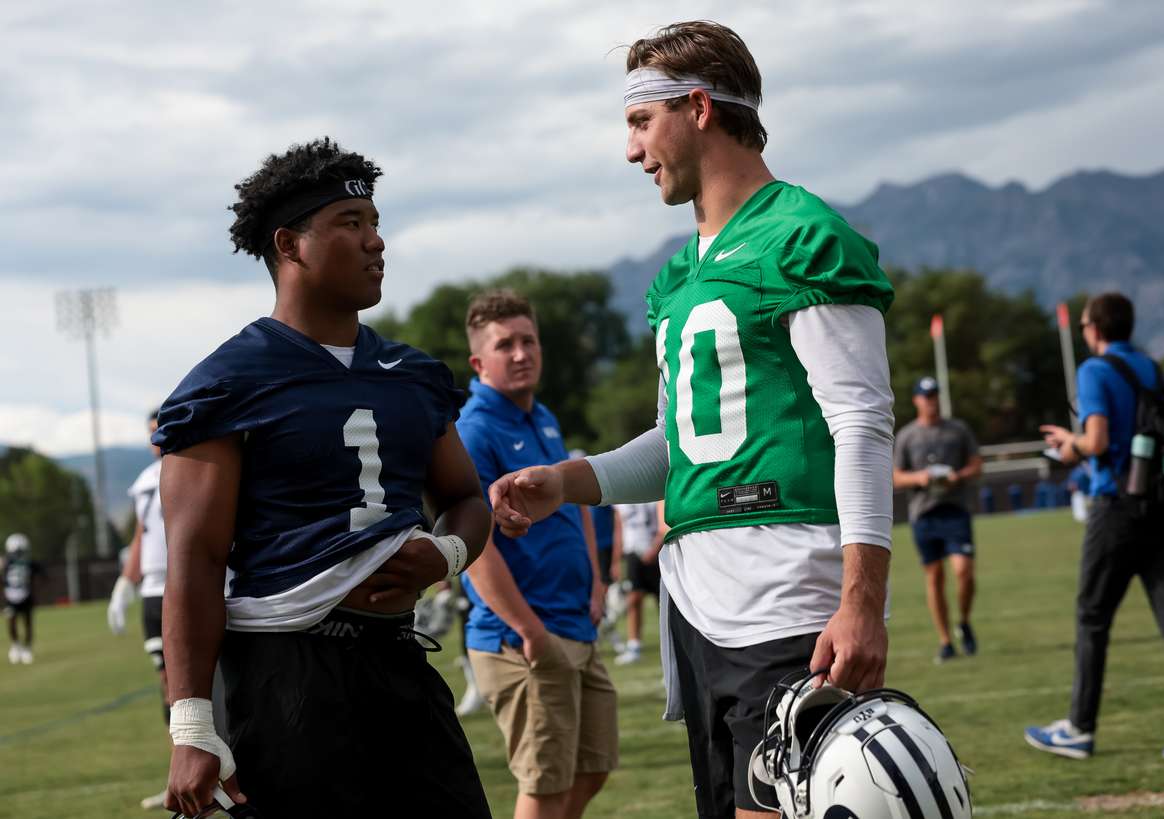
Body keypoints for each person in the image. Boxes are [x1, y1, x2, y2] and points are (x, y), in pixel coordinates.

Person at [487, 22, 896, 818]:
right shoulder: (682, 271)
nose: (633, 150)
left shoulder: (801, 238)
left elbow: (860, 422)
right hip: (702, 611)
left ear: (698, 108)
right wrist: (570, 480)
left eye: (641, 122)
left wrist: (863, 599)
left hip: (788, 598)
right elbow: (683, 444)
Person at [153, 137, 493, 817]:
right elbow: (193, 558)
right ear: (290, 244)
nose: (376, 242)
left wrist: (446, 551)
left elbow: (463, 498)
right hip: (287, 678)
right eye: (350, 224)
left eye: (375, 224)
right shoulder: (227, 383)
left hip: (399, 659)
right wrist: (191, 727)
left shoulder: (414, 373)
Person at [1027, 292, 1164, 759]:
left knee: (1092, 618)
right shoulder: (1150, 368)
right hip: (1157, 508)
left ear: (1095, 328)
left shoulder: (1094, 370)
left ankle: (1079, 727)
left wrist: (1068, 443)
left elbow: (1097, 441)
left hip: (1115, 507)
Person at [457, 290, 617, 819]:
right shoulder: (473, 431)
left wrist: (595, 583)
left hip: (575, 622)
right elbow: (474, 549)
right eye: (506, 345)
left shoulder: (542, 416)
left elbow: (573, 506)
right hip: (523, 637)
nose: (522, 353)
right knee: (545, 786)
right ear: (479, 362)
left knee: (592, 767)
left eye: (529, 341)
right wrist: (529, 631)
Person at [893, 376, 983, 663]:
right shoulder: (907, 436)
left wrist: (959, 476)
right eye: (925, 396)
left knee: (963, 572)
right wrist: (918, 477)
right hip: (924, 514)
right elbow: (895, 476)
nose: (931, 401)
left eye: (934, 395)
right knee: (934, 578)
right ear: (916, 400)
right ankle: (945, 641)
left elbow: (977, 464)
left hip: (955, 510)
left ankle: (964, 621)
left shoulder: (957, 430)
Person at [613, 500, 662, 665]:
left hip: (657, 549)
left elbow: (664, 522)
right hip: (633, 551)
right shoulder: (622, 496)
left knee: (664, 603)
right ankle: (634, 646)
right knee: (633, 599)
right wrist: (615, 561)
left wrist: (655, 547)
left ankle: (670, 646)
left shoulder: (656, 491)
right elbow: (619, 527)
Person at [4, 533, 43, 665]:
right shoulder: (5, 563)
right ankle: (16, 646)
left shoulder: (30, 563)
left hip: (26, 596)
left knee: (28, 624)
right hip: (10, 597)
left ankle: (27, 649)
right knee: (11, 623)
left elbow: (41, 574)